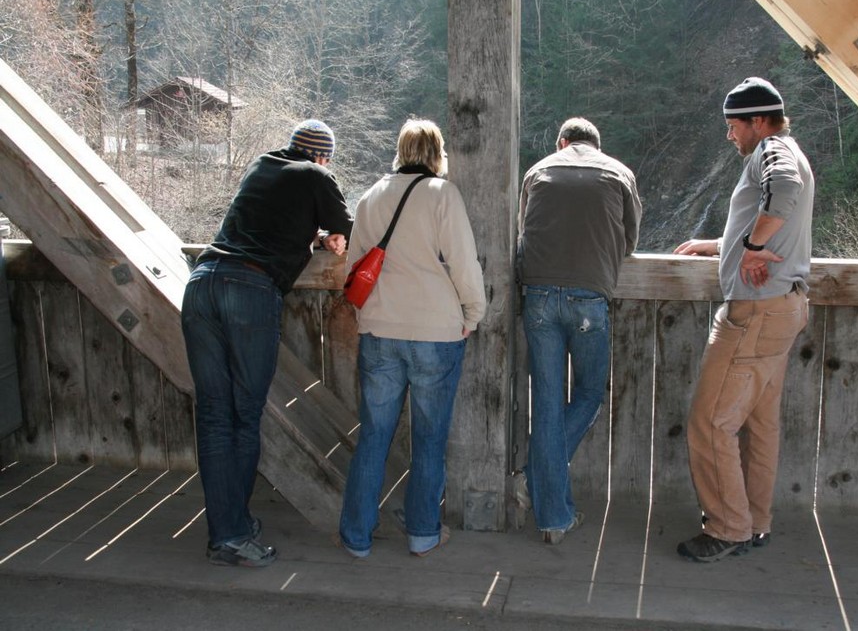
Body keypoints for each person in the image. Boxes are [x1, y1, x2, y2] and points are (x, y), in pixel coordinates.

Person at [181, 119, 353, 567]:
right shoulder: (316, 175)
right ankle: (232, 536)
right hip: (249, 291)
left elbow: (270, 219)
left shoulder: (262, 165)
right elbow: (346, 231)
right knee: (243, 415)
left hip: (201, 283)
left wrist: (308, 234)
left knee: (215, 417)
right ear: (321, 156)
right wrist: (329, 236)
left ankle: (229, 525)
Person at [673, 77, 814, 563]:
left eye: (733, 126)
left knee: (710, 422)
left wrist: (752, 247)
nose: (730, 136)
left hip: (756, 312)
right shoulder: (785, 147)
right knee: (759, 422)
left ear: (757, 121)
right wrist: (725, 244)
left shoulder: (773, 150)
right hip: (783, 308)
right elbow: (774, 209)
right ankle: (755, 522)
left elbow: (784, 191)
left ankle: (728, 528)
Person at [338, 119, 486, 558]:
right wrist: (472, 314)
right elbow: (463, 263)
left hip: (380, 330)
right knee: (429, 439)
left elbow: (354, 270)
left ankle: (356, 537)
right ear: (438, 152)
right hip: (436, 333)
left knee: (374, 436)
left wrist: (369, 313)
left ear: (401, 150)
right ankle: (422, 533)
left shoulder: (370, 197)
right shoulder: (443, 195)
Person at [515, 117, 642, 544]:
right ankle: (548, 496)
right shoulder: (619, 172)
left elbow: (522, 234)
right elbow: (629, 241)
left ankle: (548, 504)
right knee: (588, 393)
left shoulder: (538, 171)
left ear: (563, 142)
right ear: (596, 145)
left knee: (547, 403)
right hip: (590, 297)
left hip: (537, 297)